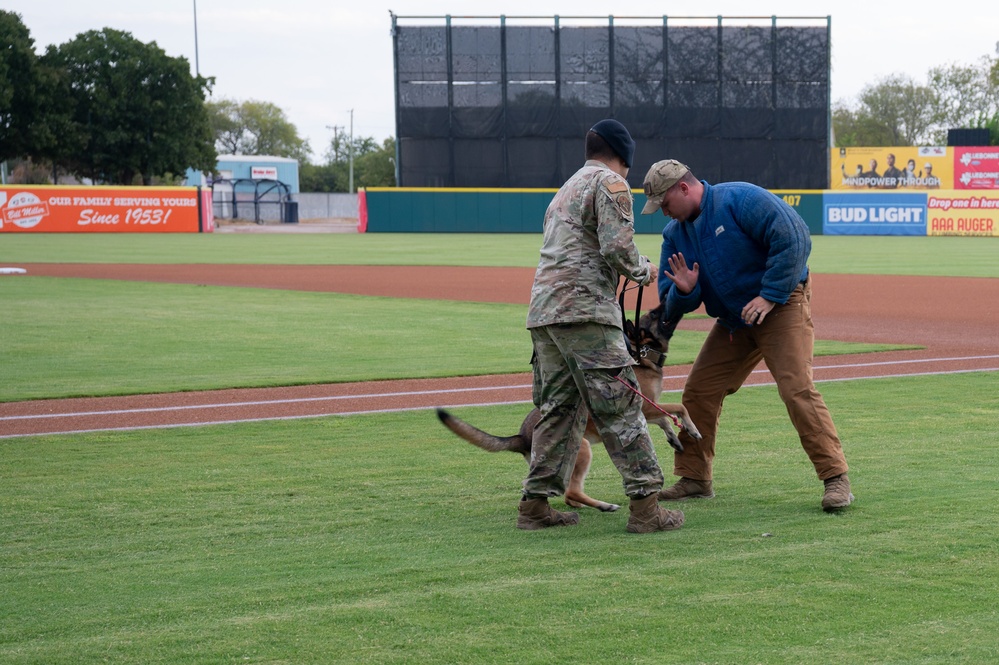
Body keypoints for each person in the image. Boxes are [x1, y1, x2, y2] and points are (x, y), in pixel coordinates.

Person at [640, 159, 854, 511]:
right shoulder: (674, 236)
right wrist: (686, 291)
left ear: (683, 188)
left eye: (664, 203)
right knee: (700, 390)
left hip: (781, 304)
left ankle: (836, 478)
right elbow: (672, 302)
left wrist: (770, 294)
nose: (663, 212)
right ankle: (695, 477)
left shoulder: (739, 198)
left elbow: (794, 237)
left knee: (796, 387)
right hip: (734, 321)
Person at [521, 120, 685, 533]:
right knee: (623, 408)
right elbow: (617, 247)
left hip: (545, 315)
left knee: (558, 410)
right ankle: (648, 509)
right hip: (587, 313)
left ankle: (535, 506)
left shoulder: (564, 189)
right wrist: (647, 271)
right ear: (623, 155)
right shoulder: (611, 183)